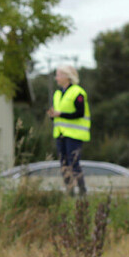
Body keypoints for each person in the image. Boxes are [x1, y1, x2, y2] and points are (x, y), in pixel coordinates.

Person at [47, 65, 90, 195]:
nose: (56, 78)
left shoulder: (78, 92)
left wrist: (60, 114)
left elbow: (80, 113)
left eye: (59, 75)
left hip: (74, 134)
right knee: (64, 165)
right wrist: (53, 116)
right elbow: (58, 115)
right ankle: (70, 192)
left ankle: (82, 192)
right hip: (60, 133)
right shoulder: (58, 93)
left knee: (74, 164)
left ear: (67, 77)